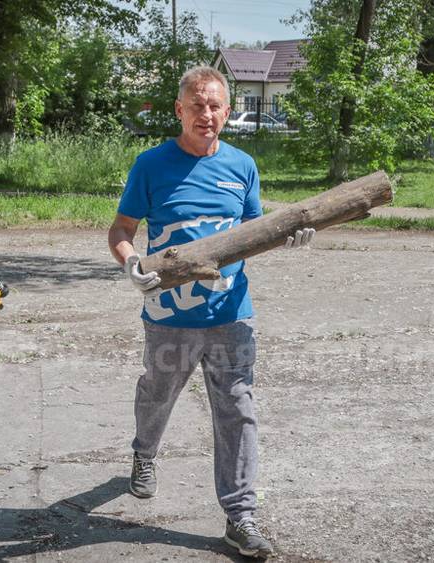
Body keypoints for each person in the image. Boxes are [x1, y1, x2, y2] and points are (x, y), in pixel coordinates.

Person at [107, 66, 313, 559]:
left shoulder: (243, 166)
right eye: (197, 105)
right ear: (180, 110)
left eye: (216, 105)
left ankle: (240, 517)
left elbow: (255, 231)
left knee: (237, 410)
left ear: (227, 110)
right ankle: (144, 453)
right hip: (168, 319)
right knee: (156, 394)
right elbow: (121, 229)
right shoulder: (151, 165)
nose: (208, 114)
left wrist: (291, 234)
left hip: (231, 316)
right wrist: (131, 264)